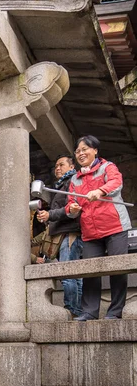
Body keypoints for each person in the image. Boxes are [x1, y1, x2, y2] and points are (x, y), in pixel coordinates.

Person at [65, 135, 131, 321]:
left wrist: (100, 190)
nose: (81, 153)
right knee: (90, 271)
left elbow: (116, 183)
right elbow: (70, 204)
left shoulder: (107, 167)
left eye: (85, 149)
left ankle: (115, 312)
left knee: (118, 269)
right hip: (90, 231)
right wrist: (73, 209)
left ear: (95, 150)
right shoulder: (75, 180)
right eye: (78, 151)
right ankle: (89, 312)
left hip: (115, 226)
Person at [36, 155, 83, 317]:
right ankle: (75, 309)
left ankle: (72, 309)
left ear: (71, 167)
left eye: (61, 165)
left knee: (68, 273)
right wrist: (47, 217)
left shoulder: (72, 182)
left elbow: (71, 208)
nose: (57, 168)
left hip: (70, 232)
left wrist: (50, 215)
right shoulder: (62, 184)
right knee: (73, 274)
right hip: (65, 232)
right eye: (55, 165)